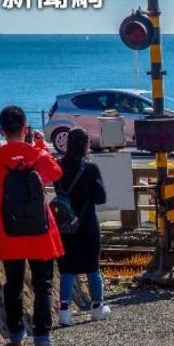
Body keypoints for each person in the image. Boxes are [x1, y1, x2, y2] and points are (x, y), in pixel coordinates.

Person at [0, 105, 64, 346]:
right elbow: (55, 173)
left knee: (13, 282)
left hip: (10, 227)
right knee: (43, 283)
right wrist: (39, 147)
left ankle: (16, 333)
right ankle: (42, 336)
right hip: (39, 227)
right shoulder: (38, 154)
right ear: (25, 128)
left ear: (2, 131)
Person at [55, 128, 109, 327]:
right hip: (86, 222)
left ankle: (64, 311)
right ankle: (97, 308)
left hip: (65, 223)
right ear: (85, 145)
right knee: (92, 266)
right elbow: (101, 197)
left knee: (67, 268)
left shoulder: (58, 166)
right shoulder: (90, 168)